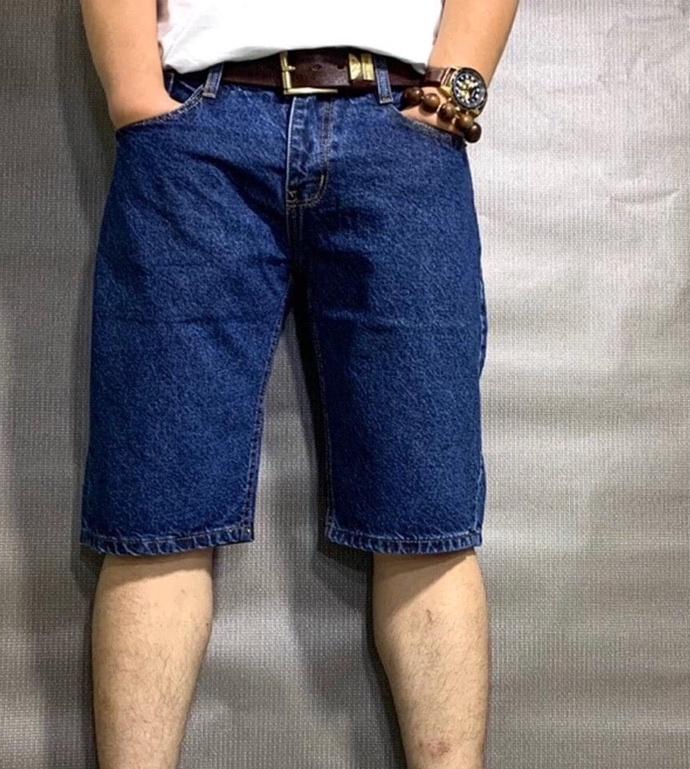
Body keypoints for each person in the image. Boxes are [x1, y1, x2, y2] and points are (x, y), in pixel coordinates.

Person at [78, 1, 519, 767]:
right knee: (154, 507)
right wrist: (134, 94)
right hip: (195, 128)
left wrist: (456, 88)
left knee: (427, 511)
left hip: (401, 120)